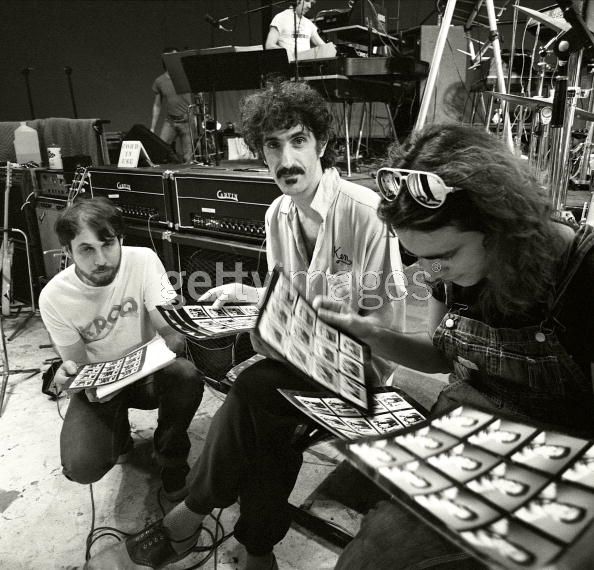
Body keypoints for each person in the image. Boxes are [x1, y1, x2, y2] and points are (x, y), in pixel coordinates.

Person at [86, 80, 406, 570]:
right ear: (260, 154)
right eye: (272, 146)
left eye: (297, 140)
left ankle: (194, 509)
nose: (285, 158)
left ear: (321, 143)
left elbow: (385, 327)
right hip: (299, 356)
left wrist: (301, 328)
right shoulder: (279, 213)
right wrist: (248, 298)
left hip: (358, 366)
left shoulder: (366, 213)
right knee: (261, 411)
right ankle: (257, 549)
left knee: (254, 392)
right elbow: (291, 295)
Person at [312, 124, 594, 568]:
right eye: (418, 257)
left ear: (500, 224)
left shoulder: (583, 275)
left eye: (445, 255)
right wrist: (368, 333)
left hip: (555, 458)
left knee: (377, 555)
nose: (434, 272)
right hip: (467, 425)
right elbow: (440, 353)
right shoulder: (450, 269)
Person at [39, 197, 204, 503]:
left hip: (149, 375)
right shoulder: (53, 297)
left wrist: (173, 336)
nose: (102, 259)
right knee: (81, 467)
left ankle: (171, 458)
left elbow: (170, 332)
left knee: (186, 375)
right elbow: (78, 366)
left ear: (121, 240)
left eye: (108, 244)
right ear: (67, 252)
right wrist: (72, 381)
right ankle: (119, 437)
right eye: (86, 249)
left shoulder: (143, 260)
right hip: (103, 385)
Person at [150, 47, 193, 162]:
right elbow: (157, 105)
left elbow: (199, 95)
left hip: (187, 121)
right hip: (170, 122)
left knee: (188, 157)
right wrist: (152, 127)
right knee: (159, 150)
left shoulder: (186, 76)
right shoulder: (160, 81)